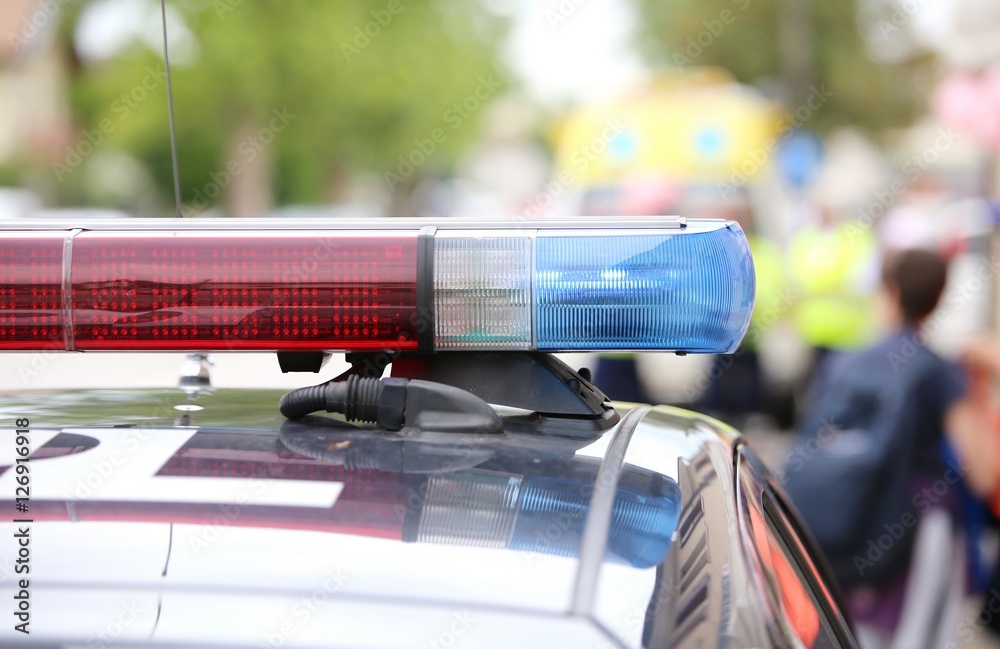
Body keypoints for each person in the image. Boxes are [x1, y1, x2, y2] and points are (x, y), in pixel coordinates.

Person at [786, 248, 967, 647]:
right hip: (919, 524)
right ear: (938, 297)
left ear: (890, 293)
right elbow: (984, 467)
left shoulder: (845, 363)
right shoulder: (940, 371)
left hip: (853, 520)